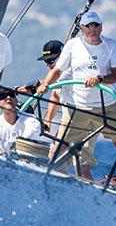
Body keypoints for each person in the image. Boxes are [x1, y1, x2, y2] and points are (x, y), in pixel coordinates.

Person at [37, 11, 116, 180]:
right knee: (60, 145)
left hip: (107, 106)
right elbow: (57, 70)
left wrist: (100, 78)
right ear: (81, 28)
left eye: (96, 25)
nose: (92, 29)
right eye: (88, 26)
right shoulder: (73, 45)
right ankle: (49, 177)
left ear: (101, 27)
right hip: (77, 107)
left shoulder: (111, 45)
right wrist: (45, 84)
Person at [33, 40, 96, 171]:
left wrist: (26, 88)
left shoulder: (71, 69)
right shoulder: (59, 73)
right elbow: (55, 95)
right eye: (46, 62)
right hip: (72, 119)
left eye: (51, 61)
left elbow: (47, 83)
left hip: (87, 119)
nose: (49, 65)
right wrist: (48, 119)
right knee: (59, 158)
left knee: (75, 162)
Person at [0, 88, 42, 158]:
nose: (8, 97)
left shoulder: (32, 120)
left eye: (11, 95)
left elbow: (26, 146)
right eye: (3, 96)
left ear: (16, 101)